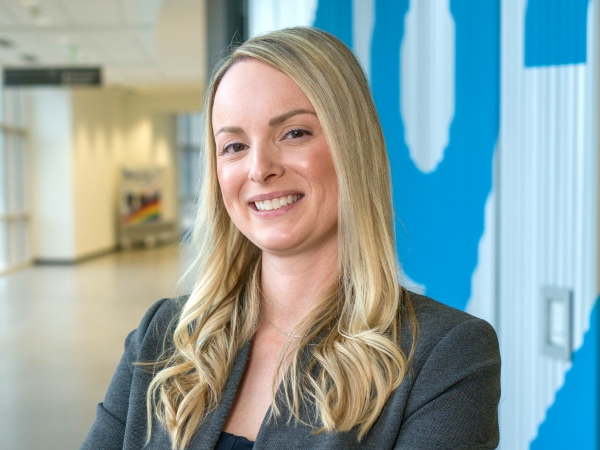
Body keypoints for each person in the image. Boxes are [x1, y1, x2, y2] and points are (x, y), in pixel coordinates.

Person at [81, 27, 500, 450]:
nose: (259, 168)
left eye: (294, 133)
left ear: (352, 145)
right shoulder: (166, 336)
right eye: (234, 146)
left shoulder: (444, 355)